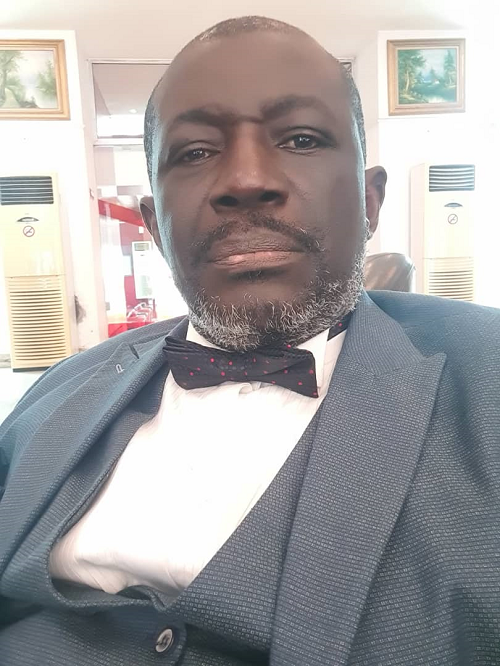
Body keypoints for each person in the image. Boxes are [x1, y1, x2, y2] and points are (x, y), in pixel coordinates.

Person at [1, 15, 499, 666]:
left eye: (300, 138)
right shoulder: (57, 389)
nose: (245, 180)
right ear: (153, 223)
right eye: (195, 152)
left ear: (370, 201)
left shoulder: (486, 376)